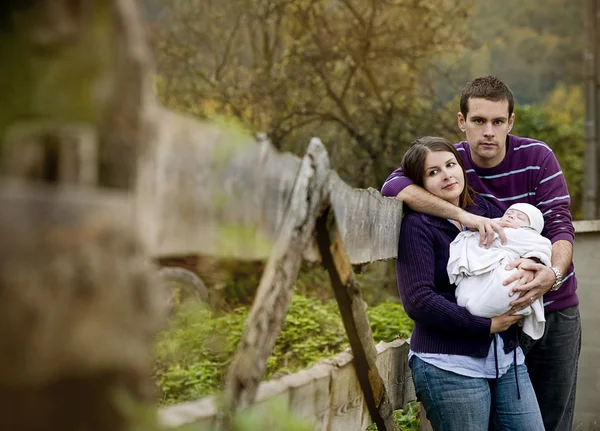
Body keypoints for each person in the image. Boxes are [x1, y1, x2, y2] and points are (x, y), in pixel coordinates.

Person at [382, 76, 580, 431]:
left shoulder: (537, 157)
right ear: (462, 122)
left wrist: (551, 275)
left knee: (553, 419)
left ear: (510, 122)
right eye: (478, 121)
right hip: (486, 332)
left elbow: (560, 225)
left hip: (552, 306)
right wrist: (462, 215)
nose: (488, 131)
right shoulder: (450, 161)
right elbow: (393, 186)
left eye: (498, 122)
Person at [396, 136, 544, 430]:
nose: (447, 175)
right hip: (448, 364)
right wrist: (486, 325)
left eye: (450, 164)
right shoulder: (418, 226)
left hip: (506, 360)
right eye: (433, 172)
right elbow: (418, 300)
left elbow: (521, 241)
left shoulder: (484, 209)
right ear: (418, 183)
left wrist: (532, 266)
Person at [448, 203, 552, 340]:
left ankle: (483, 309)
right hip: (483, 271)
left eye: (519, 217)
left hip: (507, 268)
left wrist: (532, 259)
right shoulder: (489, 226)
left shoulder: (527, 235)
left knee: (508, 283)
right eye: (510, 213)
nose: (511, 216)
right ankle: (471, 307)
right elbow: (472, 240)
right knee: (467, 289)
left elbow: (541, 248)